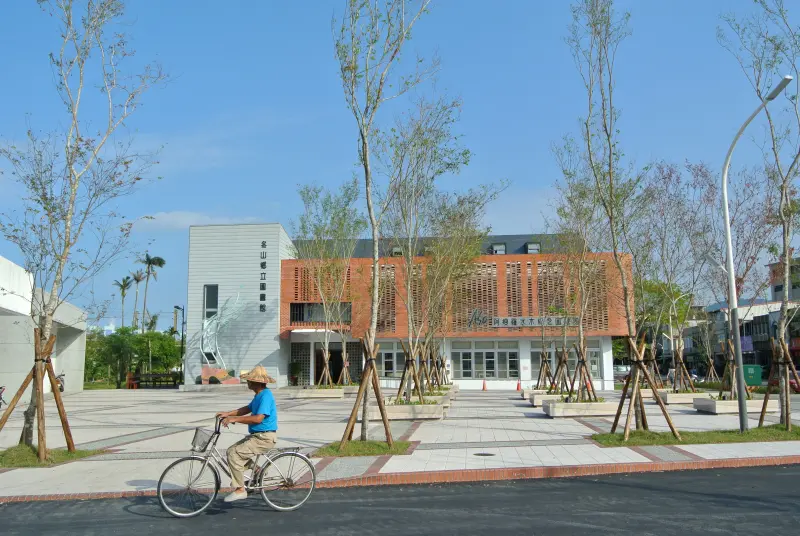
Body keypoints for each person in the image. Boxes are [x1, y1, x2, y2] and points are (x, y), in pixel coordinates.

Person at [216, 365, 277, 503]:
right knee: (231, 451)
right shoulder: (259, 395)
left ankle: (240, 489)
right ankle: (258, 470)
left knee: (234, 454)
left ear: (257, 382)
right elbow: (246, 409)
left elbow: (258, 418)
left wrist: (234, 419)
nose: (248, 382)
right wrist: (228, 414)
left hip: (264, 437)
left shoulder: (266, 396)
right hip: (258, 436)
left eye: (250, 380)